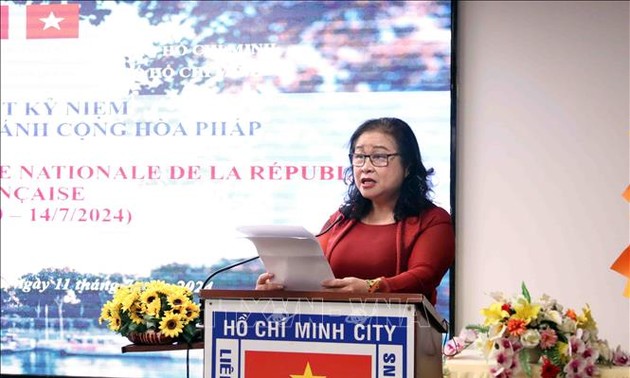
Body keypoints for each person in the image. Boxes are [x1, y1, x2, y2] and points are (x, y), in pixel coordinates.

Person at [256, 117, 454, 305]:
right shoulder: (342, 219)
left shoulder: (432, 220)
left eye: (379, 157)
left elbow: (423, 276)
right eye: (359, 157)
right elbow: (314, 275)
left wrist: (371, 288)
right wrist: (280, 288)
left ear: (408, 167)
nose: (365, 167)